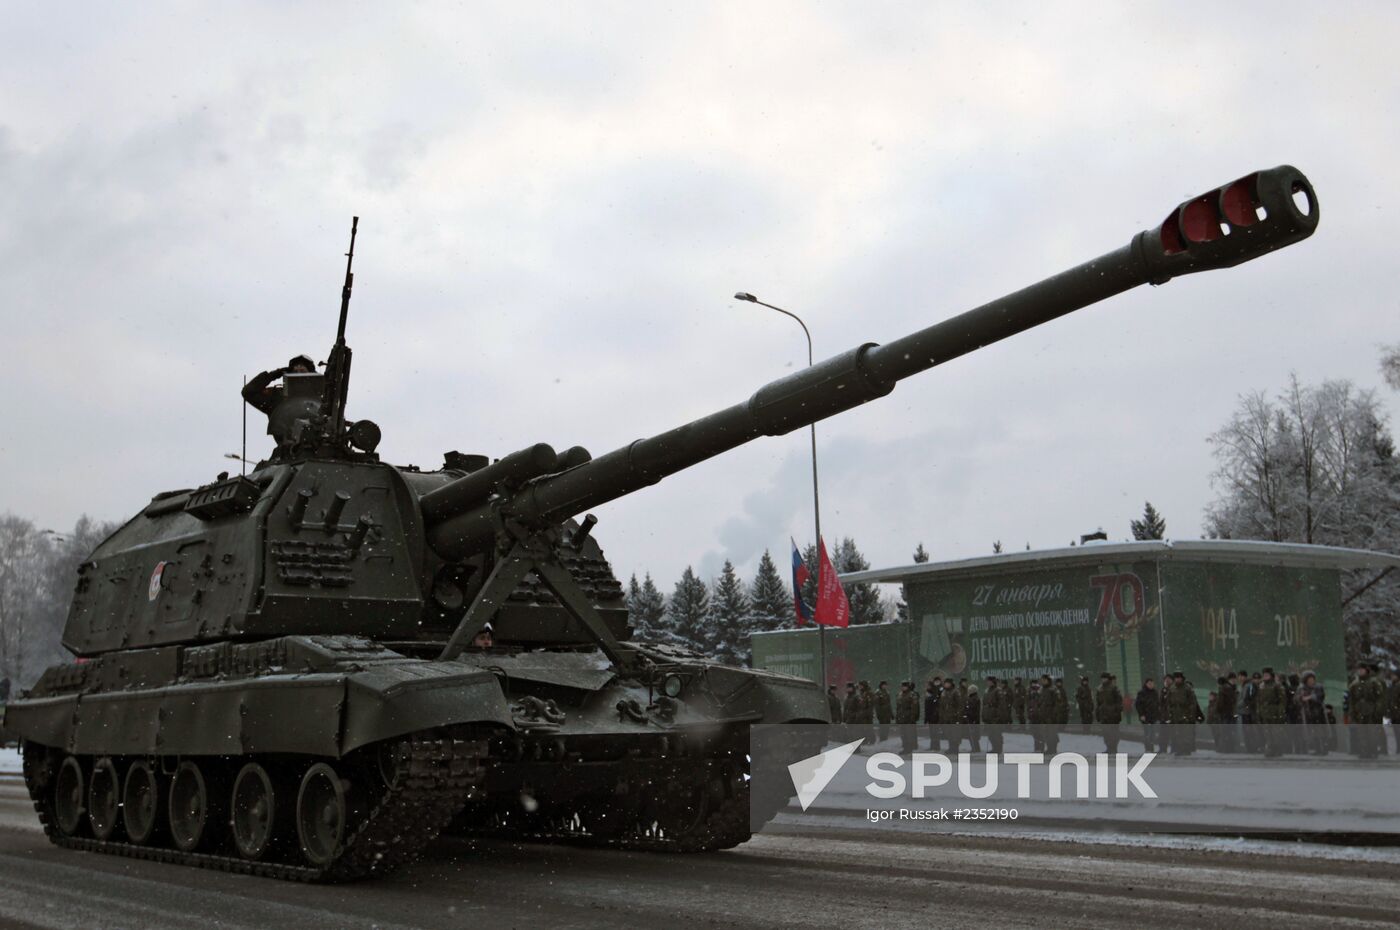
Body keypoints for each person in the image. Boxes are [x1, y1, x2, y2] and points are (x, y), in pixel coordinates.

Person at [1348, 663, 1386, 760]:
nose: (1360, 671)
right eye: (1359, 669)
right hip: (1359, 712)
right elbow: (1352, 700)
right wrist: (1353, 712)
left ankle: (1373, 751)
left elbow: (1380, 698)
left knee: (1372, 733)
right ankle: (1364, 752)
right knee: (1361, 733)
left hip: (1371, 711)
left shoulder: (1374, 682)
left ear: (1366, 670)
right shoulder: (1355, 684)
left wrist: (1377, 711)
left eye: (1362, 669)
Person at [1256, 667, 1288, 758]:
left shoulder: (1277, 685)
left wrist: (1280, 712)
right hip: (1265, 712)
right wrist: (1259, 711)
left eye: (1267, 675)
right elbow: (1258, 700)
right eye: (1264, 675)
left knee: (1275, 733)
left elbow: (1282, 700)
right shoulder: (1261, 686)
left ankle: (1276, 749)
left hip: (1274, 712)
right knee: (1267, 732)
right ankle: (1270, 748)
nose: (1265, 677)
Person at [1165, 671, 1198, 755]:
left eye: (1179, 678)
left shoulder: (1187, 688)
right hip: (1176, 713)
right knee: (1178, 733)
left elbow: (1192, 702)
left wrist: (1190, 713)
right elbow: (1168, 701)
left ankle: (1186, 749)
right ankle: (1180, 749)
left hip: (1185, 713)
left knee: (1185, 733)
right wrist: (1170, 712)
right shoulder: (1172, 688)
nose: (1177, 680)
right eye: (1176, 678)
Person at [1296, 671, 1328, 755]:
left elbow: (1320, 696)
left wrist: (1310, 697)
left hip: (1319, 713)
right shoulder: (1302, 688)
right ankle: (1317, 748)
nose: (1311, 681)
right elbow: (1297, 699)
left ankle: (1323, 748)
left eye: (1312, 679)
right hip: (1308, 713)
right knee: (1313, 732)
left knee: (1321, 732)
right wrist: (1301, 698)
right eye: (1309, 679)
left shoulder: (1318, 687)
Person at [1096, 672, 1123, 755]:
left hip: (1113, 715)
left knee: (1113, 732)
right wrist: (1098, 713)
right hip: (1104, 715)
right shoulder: (1100, 689)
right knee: (1106, 733)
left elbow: (1119, 701)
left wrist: (1116, 711)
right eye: (1102, 678)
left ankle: (1113, 748)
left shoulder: (1113, 688)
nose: (1103, 680)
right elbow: (1098, 702)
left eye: (1105, 678)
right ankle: (1109, 747)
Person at [1135, 677, 1162, 753]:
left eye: (1152, 683)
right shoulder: (1142, 693)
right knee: (1147, 733)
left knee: (1153, 733)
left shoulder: (1155, 693)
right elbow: (1138, 705)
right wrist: (1141, 714)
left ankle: (1151, 748)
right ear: (1146, 684)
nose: (1151, 685)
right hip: (1146, 716)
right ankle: (1148, 748)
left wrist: (1158, 715)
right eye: (1149, 683)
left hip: (1153, 716)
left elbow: (1157, 704)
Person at [983, 675, 1008, 755]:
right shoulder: (987, 690)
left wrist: (999, 716)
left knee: (996, 733)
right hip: (989, 715)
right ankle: (994, 748)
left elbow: (1002, 705)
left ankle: (998, 749)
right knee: (991, 734)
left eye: (989, 681)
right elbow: (984, 703)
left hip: (995, 716)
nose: (988, 683)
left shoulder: (998, 690)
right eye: (987, 681)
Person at [937, 678, 964, 753]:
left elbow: (959, 705)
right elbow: (941, 705)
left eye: (947, 683)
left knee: (955, 733)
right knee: (948, 733)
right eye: (945, 683)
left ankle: (955, 748)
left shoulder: (955, 692)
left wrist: (957, 714)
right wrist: (941, 716)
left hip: (954, 717)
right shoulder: (944, 692)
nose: (946, 685)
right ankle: (951, 747)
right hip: (946, 717)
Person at [896, 682, 920, 754]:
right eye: (902, 686)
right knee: (903, 734)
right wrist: (898, 717)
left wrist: (913, 717)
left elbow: (915, 707)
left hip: (909, 718)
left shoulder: (912, 695)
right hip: (902, 718)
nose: (903, 688)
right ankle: (905, 748)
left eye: (905, 686)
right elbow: (898, 707)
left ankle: (910, 748)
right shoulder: (900, 695)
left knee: (910, 734)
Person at [1216, 674, 1238, 753]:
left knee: (1225, 731)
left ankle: (1226, 748)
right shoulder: (1231, 688)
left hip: (1226, 713)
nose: (1234, 681)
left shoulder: (1224, 688)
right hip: (1230, 713)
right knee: (1229, 731)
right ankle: (1229, 748)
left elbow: (1220, 702)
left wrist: (1219, 710)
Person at [963, 683, 982, 752]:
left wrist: (968, 713)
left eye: (970, 690)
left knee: (973, 735)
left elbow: (973, 709)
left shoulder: (974, 698)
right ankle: (975, 748)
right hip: (972, 718)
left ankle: (975, 748)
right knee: (972, 735)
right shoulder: (972, 698)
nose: (969, 691)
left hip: (973, 719)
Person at [924, 680, 940, 750]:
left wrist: (934, 715)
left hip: (934, 717)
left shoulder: (934, 694)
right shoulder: (928, 694)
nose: (926, 687)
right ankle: (933, 746)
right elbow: (927, 708)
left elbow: (935, 706)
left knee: (935, 732)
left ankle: (936, 746)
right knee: (932, 732)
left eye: (928, 685)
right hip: (930, 716)